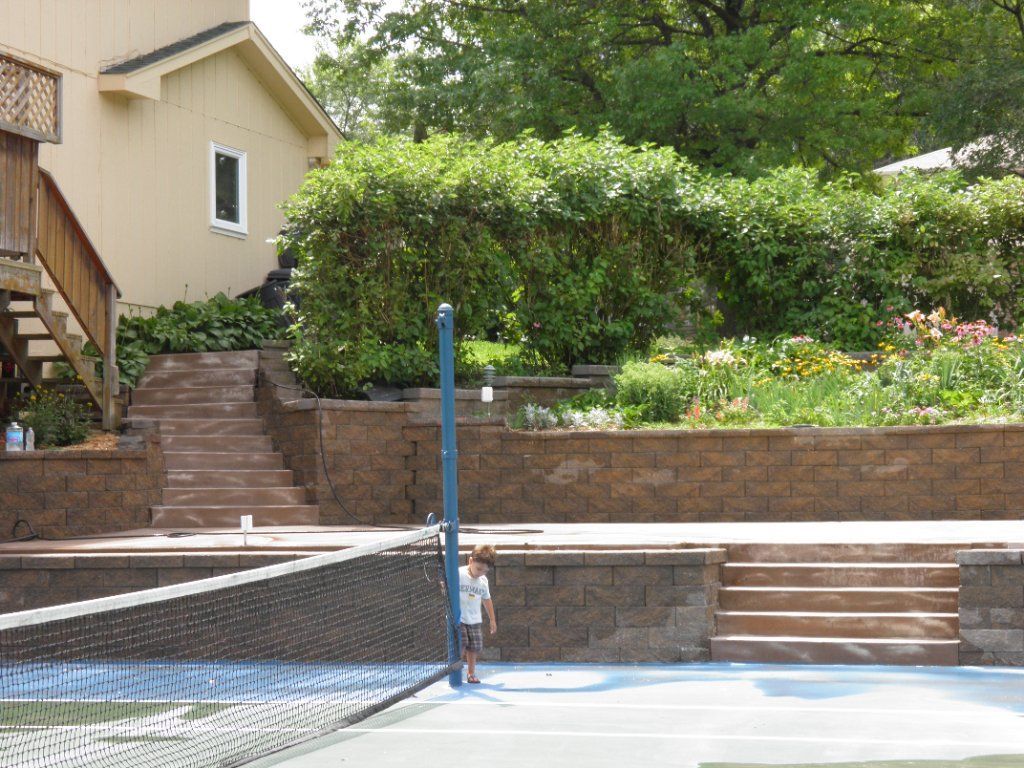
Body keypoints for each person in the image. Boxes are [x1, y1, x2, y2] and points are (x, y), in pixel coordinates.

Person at [459, 544, 497, 683]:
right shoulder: (459, 574)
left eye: (484, 571)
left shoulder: (482, 581)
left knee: (473, 648)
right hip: (459, 619)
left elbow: (487, 600)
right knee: (461, 643)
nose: (480, 572)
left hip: (474, 620)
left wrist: (492, 620)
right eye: (478, 568)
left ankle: (471, 673)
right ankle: (455, 670)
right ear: (470, 561)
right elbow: (446, 585)